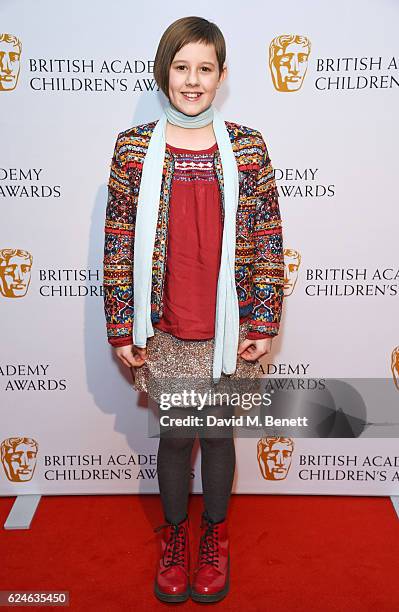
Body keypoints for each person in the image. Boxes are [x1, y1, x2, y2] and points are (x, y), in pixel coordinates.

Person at [103, 16, 284, 604]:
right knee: (179, 435)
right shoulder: (132, 149)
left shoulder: (249, 145)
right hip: (164, 325)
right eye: (182, 67)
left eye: (205, 69)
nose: (192, 80)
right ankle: (175, 539)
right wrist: (120, 323)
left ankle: (216, 539)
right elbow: (117, 238)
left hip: (229, 326)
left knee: (219, 434)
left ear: (222, 76)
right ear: (165, 72)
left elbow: (265, 236)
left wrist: (262, 320)